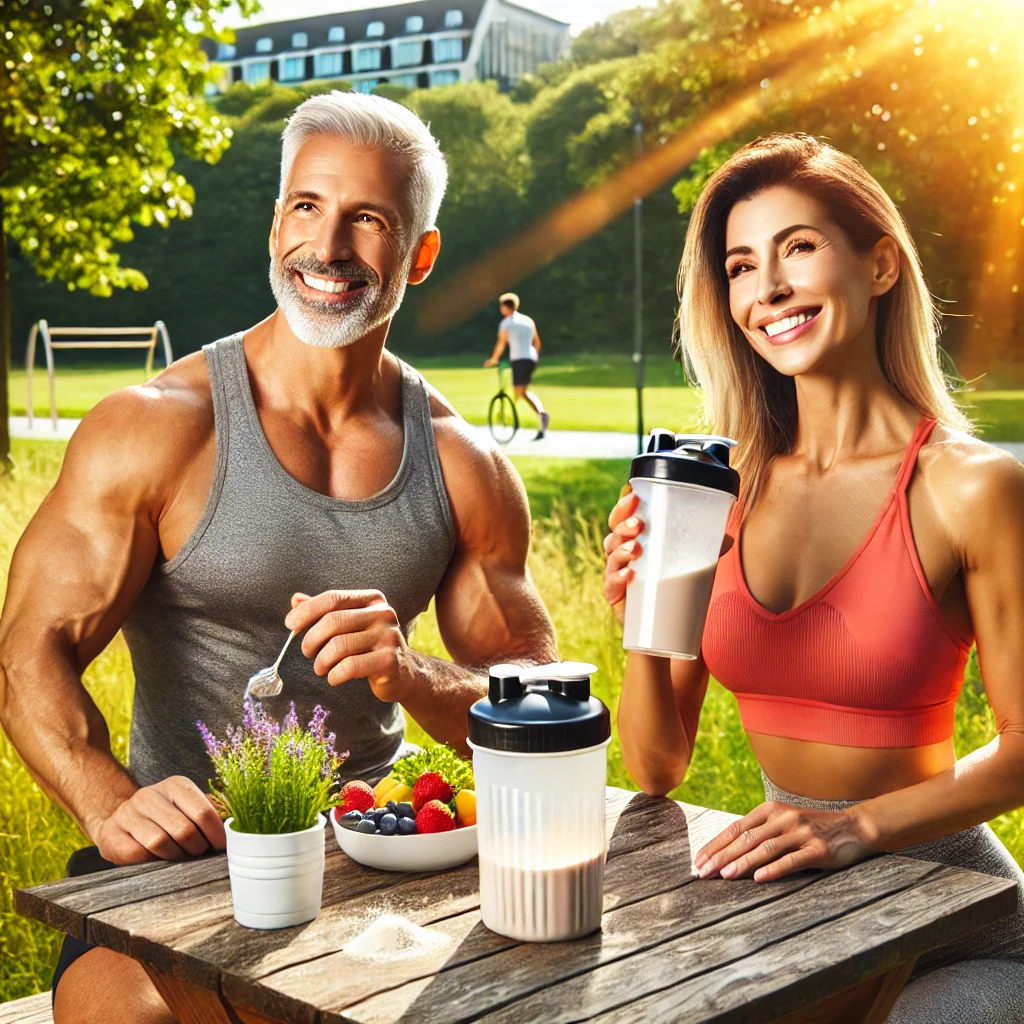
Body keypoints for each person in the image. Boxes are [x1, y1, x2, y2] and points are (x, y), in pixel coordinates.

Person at [0, 91, 557, 1024]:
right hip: (176, 866)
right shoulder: (155, 430)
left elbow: (543, 710)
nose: (328, 247)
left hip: (376, 858)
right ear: (274, 224)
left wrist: (412, 674)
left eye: (368, 219)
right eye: (307, 206)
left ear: (419, 254)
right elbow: (27, 654)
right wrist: (108, 803)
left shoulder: (463, 464)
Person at [603, 133, 1024, 1022]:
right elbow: (655, 765)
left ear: (879, 266)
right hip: (800, 902)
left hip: (957, 919)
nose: (770, 290)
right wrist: (648, 609)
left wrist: (855, 826)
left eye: (799, 247)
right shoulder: (726, 489)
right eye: (742, 265)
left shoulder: (971, 486)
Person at [484, 292, 550, 440]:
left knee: (521, 392)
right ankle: (519, 419)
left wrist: (493, 360)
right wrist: (535, 358)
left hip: (519, 359)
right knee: (519, 392)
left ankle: (541, 414)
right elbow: (537, 342)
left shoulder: (506, 323)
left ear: (506, 306)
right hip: (531, 358)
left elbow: (501, 344)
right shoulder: (528, 321)